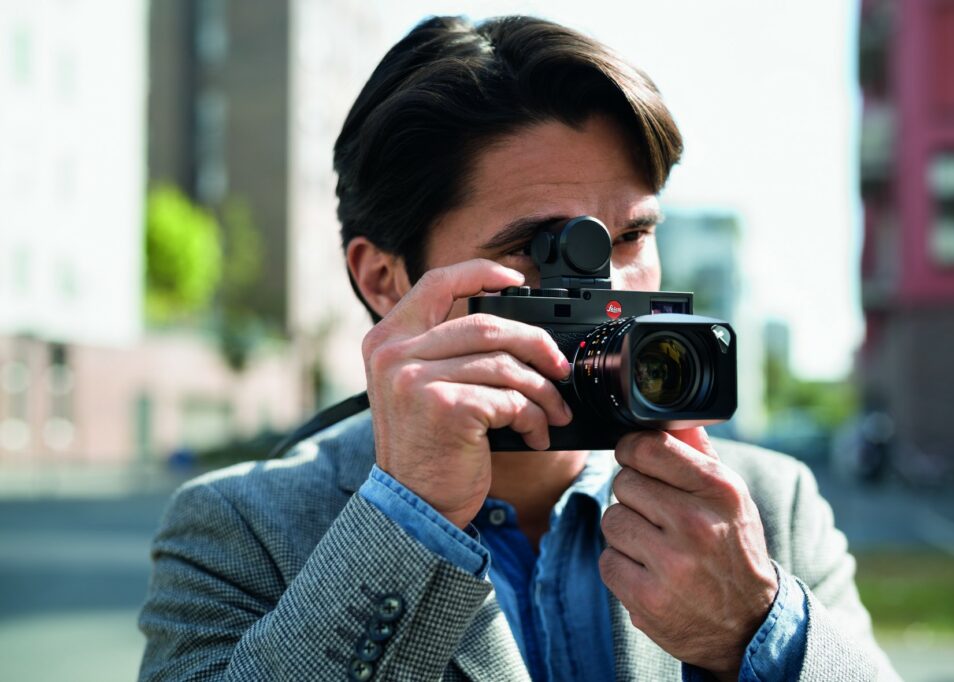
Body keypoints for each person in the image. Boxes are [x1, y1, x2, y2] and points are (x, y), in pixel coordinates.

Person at [138, 15, 899, 681]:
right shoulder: (239, 530)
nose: (608, 290)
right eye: (540, 248)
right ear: (383, 279)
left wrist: (755, 630)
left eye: (633, 236)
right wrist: (407, 523)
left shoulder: (766, 507)